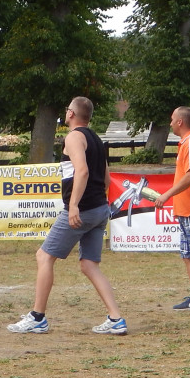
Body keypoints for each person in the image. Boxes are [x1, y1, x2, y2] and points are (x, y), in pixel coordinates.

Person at [8, 96, 127, 336]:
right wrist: (94, 201)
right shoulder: (96, 138)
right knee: (89, 265)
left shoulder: (73, 137)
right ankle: (116, 318)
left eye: (67, 109)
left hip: (82, 210)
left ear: (71, 113)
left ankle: (37, 317)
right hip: (99, 208)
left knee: (44, 257)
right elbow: (105, 178)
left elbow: (81, 171)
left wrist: (74, 206)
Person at [154, 106, 190, 310]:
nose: (170, 123)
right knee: (188, 254)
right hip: (184, 210)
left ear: (180, 122)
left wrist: (167, 194)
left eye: (172, 119)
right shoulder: (184, 143)